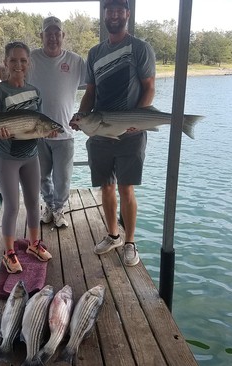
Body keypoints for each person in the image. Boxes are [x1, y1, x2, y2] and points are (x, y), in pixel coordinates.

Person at [0, 16, 85, 228]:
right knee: (42, 178)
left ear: (63, 35)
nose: (53, 37)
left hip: (64, 132)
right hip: (33, 132)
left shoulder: (76, 61)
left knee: (63, 180)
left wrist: (86, 118)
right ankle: (50, 206)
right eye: (48, 33)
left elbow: (94, 87)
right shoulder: (29, 59)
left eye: (56, 33)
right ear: (41, 35)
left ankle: (59, 209)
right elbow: (2, 70)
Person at [70, 0, 156, 266]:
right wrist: (80, 117)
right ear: (105, 15)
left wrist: (137, 119)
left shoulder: (140, 48)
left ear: (127, 14)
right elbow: (90, 93)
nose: (115, 15)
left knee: (126, 187)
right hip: (99, 129)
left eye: (120, 10)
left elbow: (149, 88)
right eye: (110, 10)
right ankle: (113, 234)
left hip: (131, 131)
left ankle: (130, 242)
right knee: (106, 187)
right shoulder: (94, 53)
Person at [0, 41, 52, 274]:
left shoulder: (35, 91)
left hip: (31, 156)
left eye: (23, 60)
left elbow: (38, 124)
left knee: (34, 202)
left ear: (28, 63)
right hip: (6, 158)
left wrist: (48, 131)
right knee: (12, 206)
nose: (18, 65)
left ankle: (34, 244)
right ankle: (9, 252)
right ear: (5, 62)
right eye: (13, 60)